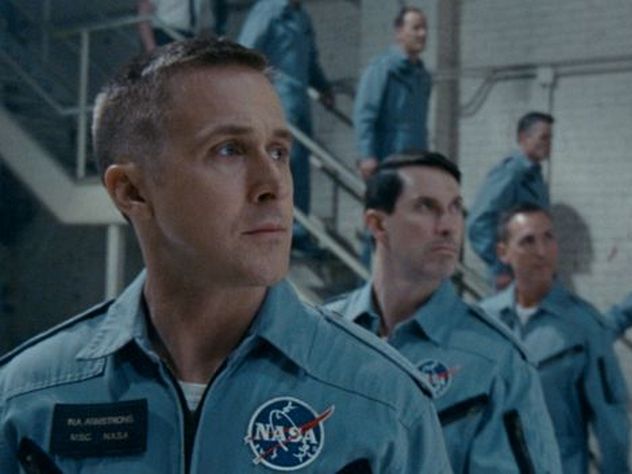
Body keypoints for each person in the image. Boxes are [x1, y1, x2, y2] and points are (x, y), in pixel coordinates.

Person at [0, 38, 451, 473]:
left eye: (278, 151)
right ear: (132, 191)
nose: (273, 184)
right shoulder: (28, 400)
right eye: (228, 150)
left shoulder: (384, 400)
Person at [325, 153, 562, 473]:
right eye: (426, 207)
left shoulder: (496, 361)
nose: (449, 226)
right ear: (378, 224)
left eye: (454, 208)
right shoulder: (323, 336)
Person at [480, 203, 630, 473]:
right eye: (528, 241)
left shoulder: (584, 326)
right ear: (503, 252)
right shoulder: (484, 321)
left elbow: (611, 424)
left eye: (548, 238)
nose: (541, 251)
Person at [238, 0, 334, 251]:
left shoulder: (301, 16)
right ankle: (278, 229)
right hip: (276, 104)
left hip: (300, 103)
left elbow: (310, 60)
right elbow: (244, 55)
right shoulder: (268, 12)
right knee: (280, 167)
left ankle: (299, 232)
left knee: (300, 167)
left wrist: (323, 87)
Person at [467, 112, 554, 290]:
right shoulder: (511, 172)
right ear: (523, 137)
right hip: (512, 273)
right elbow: (478, 223)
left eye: (550, 138)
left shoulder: (534, 175)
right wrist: (501, 265)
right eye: (543, 137)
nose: (549, 144)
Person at [353, 6, 432, 181]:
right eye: (416, 28)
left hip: (417, 160)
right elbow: (365, 114)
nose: (423, 33)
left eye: (425, 28)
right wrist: (366, 155)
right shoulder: (382, 69)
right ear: (399, 32)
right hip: (388, 159)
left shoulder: (423, 77)